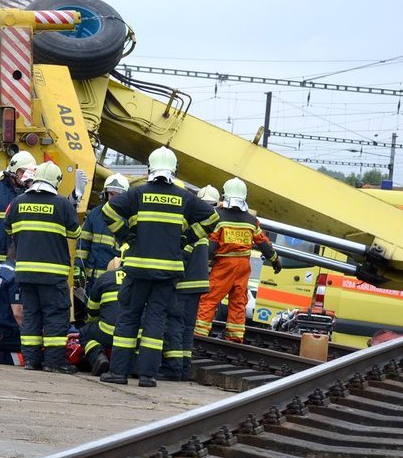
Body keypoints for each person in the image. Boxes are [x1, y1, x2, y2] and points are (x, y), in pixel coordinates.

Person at [99, 146, 219, 387]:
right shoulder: (184, 197)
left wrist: (127, 234)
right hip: (167, 273)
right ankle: (147, 376)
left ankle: (119, 373)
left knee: (129, 318)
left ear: (150, 169)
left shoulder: (138, 194)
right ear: (174, 170)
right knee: (156, 321)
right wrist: (187, 237)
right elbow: (212, 218)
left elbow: (108, 210)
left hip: (137, 270)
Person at [5, 161, 80, 373]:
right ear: (56, 181)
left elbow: (8, 228)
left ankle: (31, 361)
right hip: (53, 274)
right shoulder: (62, 205)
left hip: (26, 273)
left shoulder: (18, 202)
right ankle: (54, 363)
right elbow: (75, 233)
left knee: (31, 316)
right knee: (55, 317)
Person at [195, 178, 281, 343]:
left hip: (224, 266)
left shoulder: (219, 217)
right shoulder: (251, 221)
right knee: (238, 301)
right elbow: (263, 242)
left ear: (224, 195)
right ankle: (235, 338)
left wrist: (204, 261)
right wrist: (275, 260)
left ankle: (199, 334)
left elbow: (211, 245)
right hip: (243, 266)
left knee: (210, 298)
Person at [158, 185, 219, 380]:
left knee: (175, 325)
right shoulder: (202, 227)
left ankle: (173, 369)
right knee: (187, 327)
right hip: (198, 284)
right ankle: (184, 368)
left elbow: (181, 257)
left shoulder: (190, 227)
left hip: (184, 284)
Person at [75, 173, 129, 290]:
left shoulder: (129, 217)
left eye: (118, 195)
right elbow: (83, 245)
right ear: (105, 194)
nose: (114, 198)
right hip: (93, 280)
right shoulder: (95, 214)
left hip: (117, 281)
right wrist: (78, 268)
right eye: (111, 194)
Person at [80, 256, 124, 376]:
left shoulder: (104, 278)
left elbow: (92, 310)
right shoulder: (137, 279)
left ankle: (98, 358)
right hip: (136, 333)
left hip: (109, 331)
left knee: (85, 332)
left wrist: (94, 321)